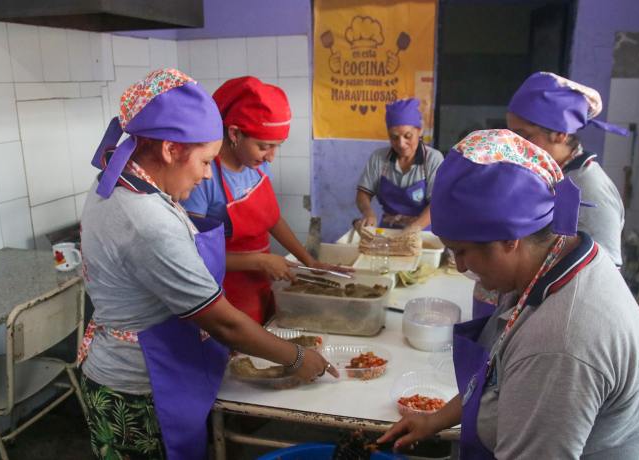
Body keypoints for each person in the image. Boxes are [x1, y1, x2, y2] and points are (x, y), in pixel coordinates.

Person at [79, 69, 337, 460]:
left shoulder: (121, 183)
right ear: (170, 150)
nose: (204, 174)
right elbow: (223, 321)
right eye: (204, 161)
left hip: (148, 367)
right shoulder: (147, 219)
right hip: (138, 387)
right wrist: (297, 358)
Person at [378, 129, 639, 459]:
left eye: (462, 251)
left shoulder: (559, 342)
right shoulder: (555, 260)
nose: (459, 266)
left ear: (509, 240)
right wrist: (435, 420)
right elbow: (498, 378)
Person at [182, 76, 346, 324]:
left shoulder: (255, 166)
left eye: (276, 147)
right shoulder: (202, 178)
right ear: (235, 133)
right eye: (264, 146)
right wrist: (259, 261)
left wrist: (309, 261)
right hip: (224, 292)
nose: (271, 157)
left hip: (260, 281)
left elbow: (271, 219)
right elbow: (192, 253)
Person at [472, 72, 628, 318]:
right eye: (512, 135)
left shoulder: (588, 187)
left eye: (524, 136)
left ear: (560, 134)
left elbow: (603, 277)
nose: (516, 146)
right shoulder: (545, 175)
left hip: (559, 317)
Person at [356, 98, 444, 230]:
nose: (401, 144)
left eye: (408, 136)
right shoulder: (379, 158)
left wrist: (414, 228)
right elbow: (363, 193)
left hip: (424, 232)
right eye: (394, 137)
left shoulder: (432, 159)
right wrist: (367, 212)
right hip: (388, 229)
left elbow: (437, 203)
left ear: (419, 131)